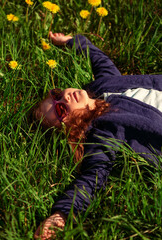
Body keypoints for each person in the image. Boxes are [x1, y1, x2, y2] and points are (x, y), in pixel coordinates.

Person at [34, 32, 162, 239]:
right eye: (60, 110)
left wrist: (72, 42)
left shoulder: (102, 86)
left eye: (57, 95)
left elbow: (101, 62)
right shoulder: (102, 132)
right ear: (70, 128)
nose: (65, 97)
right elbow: (94, 175)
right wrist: (62, 214)